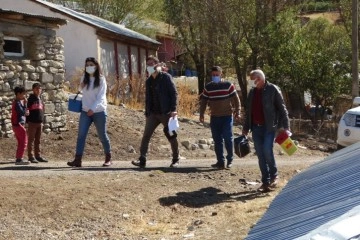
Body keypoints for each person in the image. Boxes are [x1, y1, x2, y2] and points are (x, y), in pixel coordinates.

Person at [242, 69, 290, 192]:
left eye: (253, 79)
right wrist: (246, 127)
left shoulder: (273, 89)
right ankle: (265, 181)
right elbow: (249, 112)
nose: (251, 82)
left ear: (260, 79)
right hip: (256, 128)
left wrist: (286, 127)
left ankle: (274, 175)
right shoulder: (252, 93)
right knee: (260, 155)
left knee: (267, 150)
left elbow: (282, 109)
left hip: (270, 127)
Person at [131, 55, 179, 168]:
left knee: (171, 135)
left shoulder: (166, 77)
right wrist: (147, 112)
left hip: (166, 112)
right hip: (152, 113)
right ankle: (142, 159)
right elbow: (148, 97)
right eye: (148, 64)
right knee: (146, 135)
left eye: (152, 64)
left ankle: (176, 159)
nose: (150, 66)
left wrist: (174, 109)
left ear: (157, 65)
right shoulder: (148, 81)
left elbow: (174, 93)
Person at [67, 57, 112, 167]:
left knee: (102, 135)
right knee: (81, 135)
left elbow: (101, 97)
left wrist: (93, 108)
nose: (89, 67)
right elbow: (80, 91)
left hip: (99, 111)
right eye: (87, 65)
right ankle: (78, 159)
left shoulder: (101, 79)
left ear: (96, 66)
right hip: (85, 111)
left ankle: (108, 158)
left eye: (91, 65)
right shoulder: (84, 77)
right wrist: (80, 86)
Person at [199, 66, 241, 169]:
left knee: (228, 138)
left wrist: (238, 111)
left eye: (217, 75)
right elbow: (203, 101)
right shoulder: (208, 87)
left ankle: (230, 160)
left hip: (227, 116)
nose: (215, 76)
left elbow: (236, 99)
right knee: (217, 140)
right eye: (213, 75)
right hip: (214, 117)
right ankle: (220, 162)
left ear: (221, 74)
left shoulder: (228, 85)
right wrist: (201, 114)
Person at [27, 83, 48, 163]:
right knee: (31, 140)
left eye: (39, 88)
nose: (38, 90)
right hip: (32, 122)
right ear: (33, 89)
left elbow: (42, 110)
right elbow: (27, 110)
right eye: (36, 88)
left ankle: (38, 156)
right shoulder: (31, 99)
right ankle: (31, 156)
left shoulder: (40, 99)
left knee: (38, 140)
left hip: (40, 123)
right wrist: (27, 121)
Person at [11, 86, 30, 165]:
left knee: (20, 141)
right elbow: (22, 112)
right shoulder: (17, 103)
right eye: (23, 94)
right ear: (18, 94)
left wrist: (25, 105)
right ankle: (19, 159)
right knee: (24, 141)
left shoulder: (17, 102)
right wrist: (25, 106)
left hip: (16, 124)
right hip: (18, 124)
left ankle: (19, 158)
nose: (24, 96)